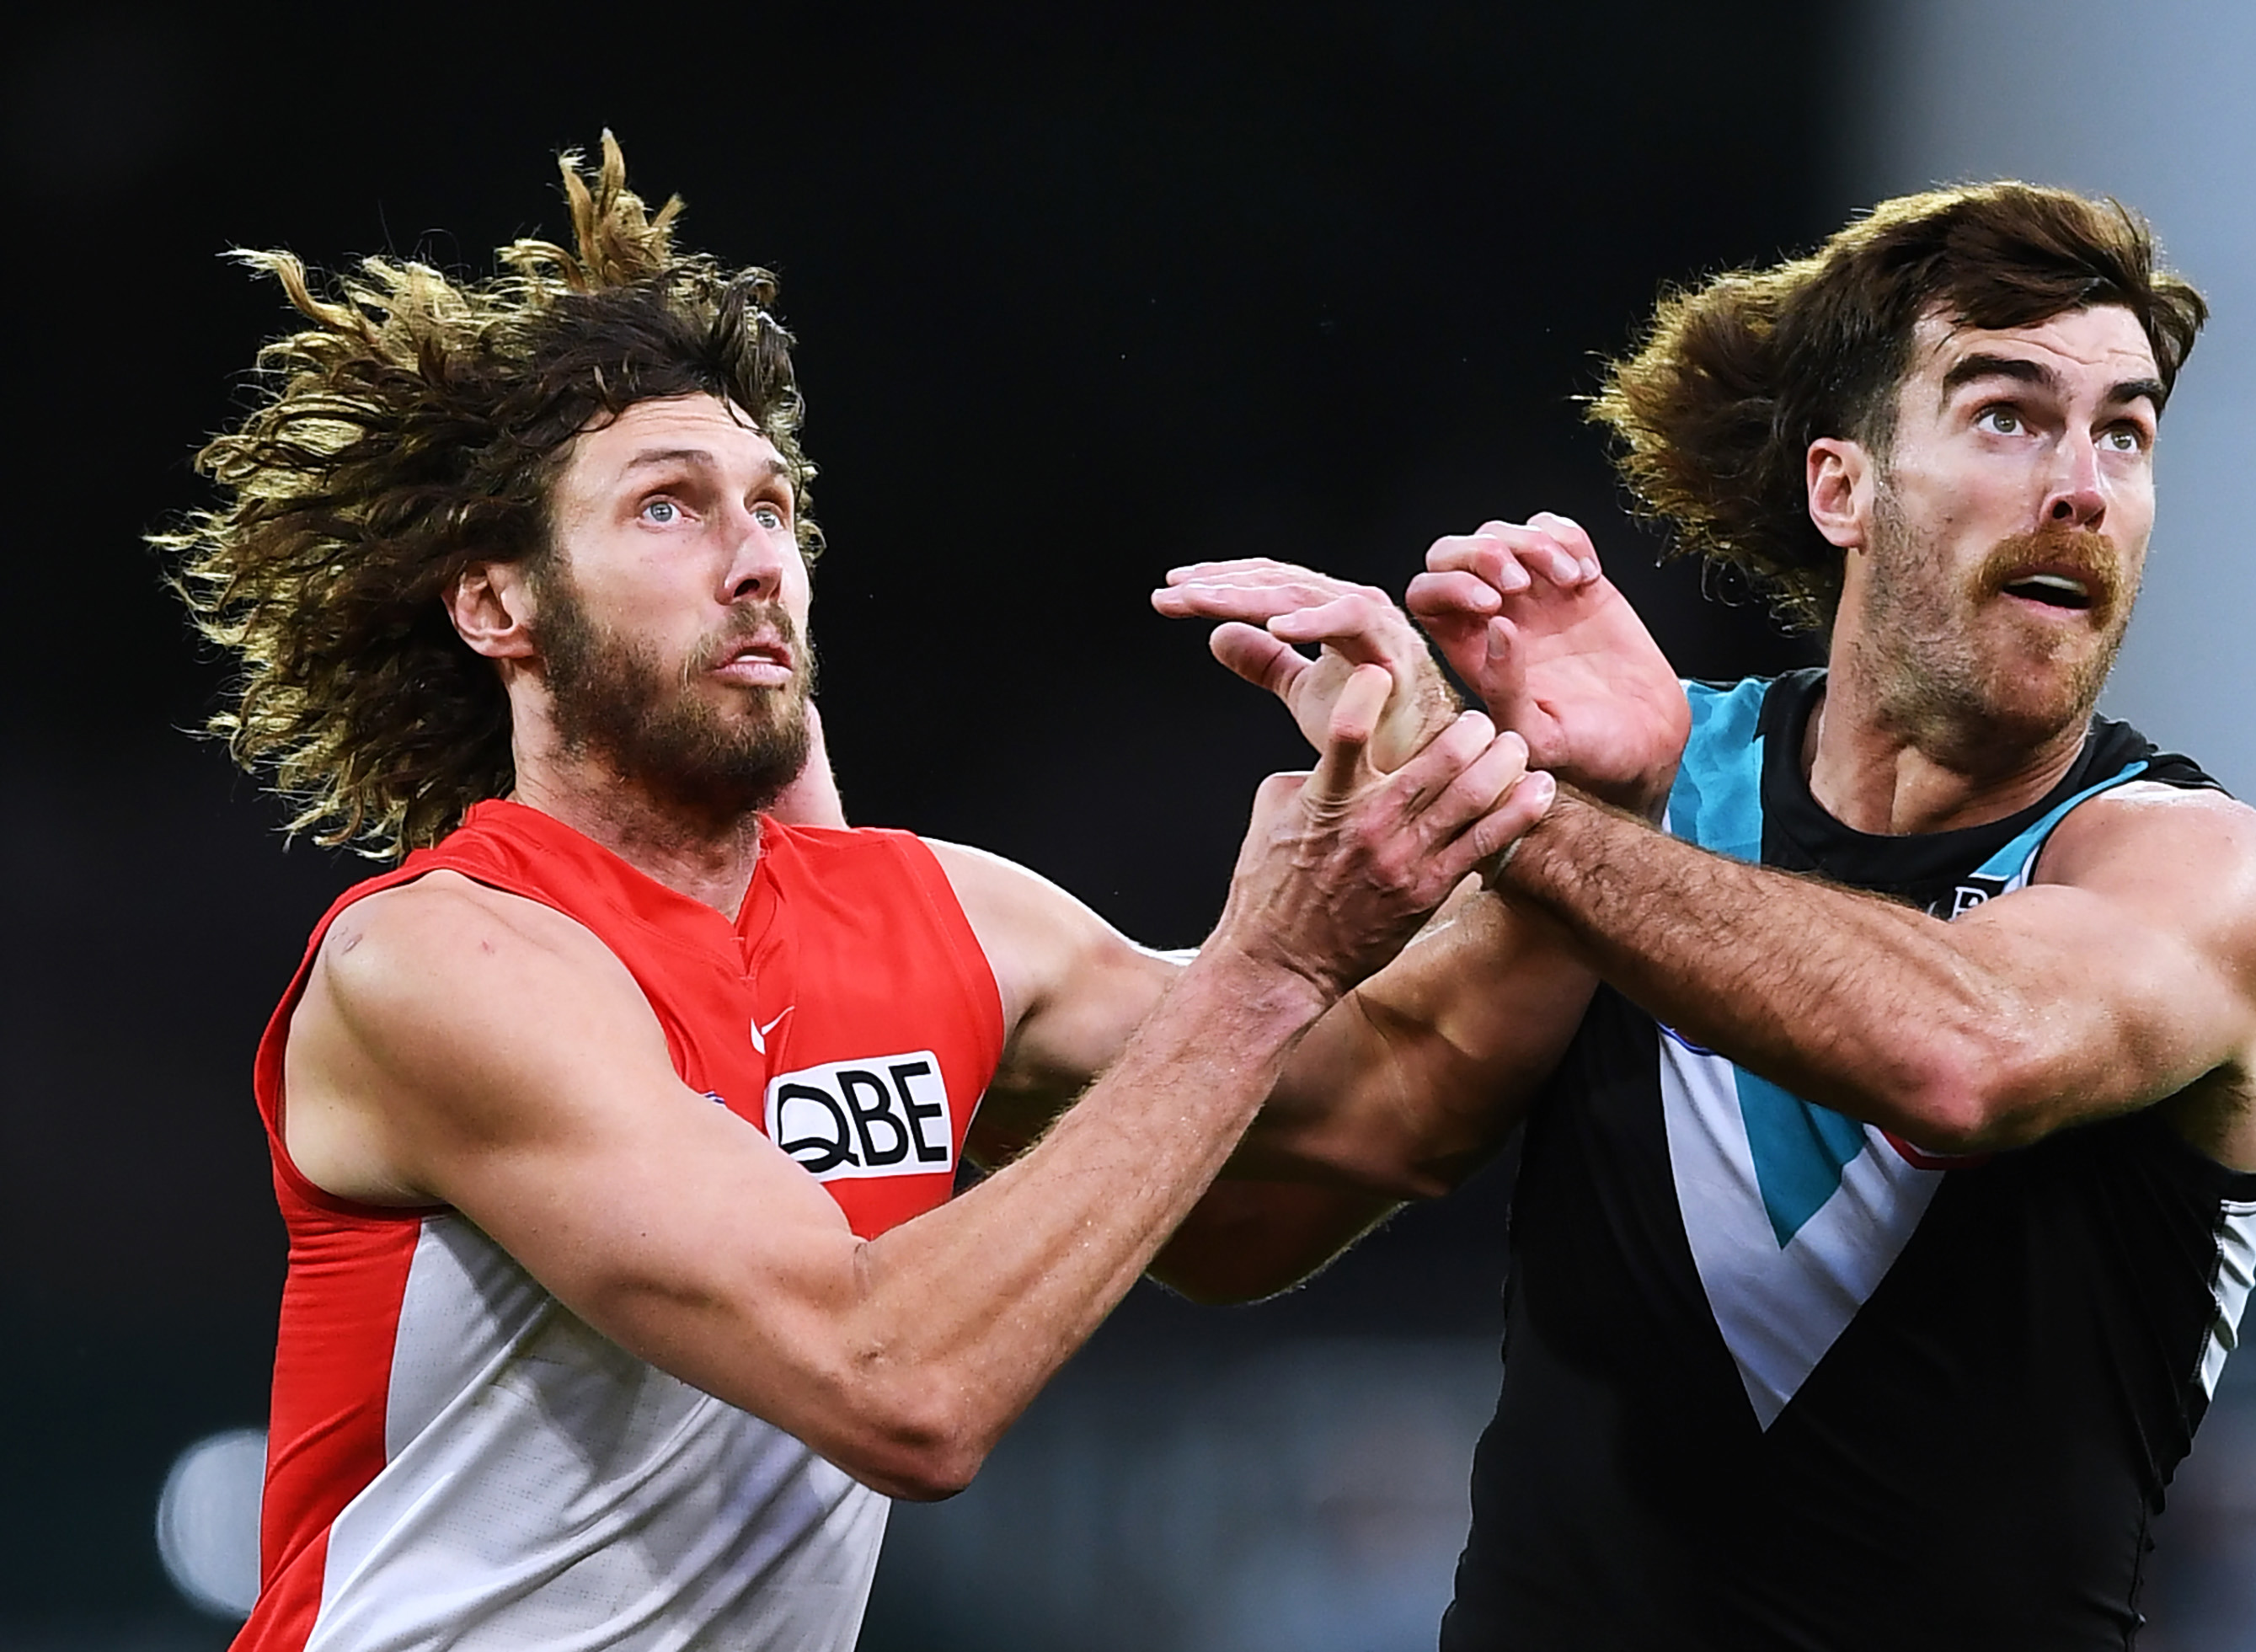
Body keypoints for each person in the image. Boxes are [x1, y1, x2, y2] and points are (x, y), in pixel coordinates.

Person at [168, 136, 1553, 1650]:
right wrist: (1267, 969)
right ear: (498, 604)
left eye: (770, 505)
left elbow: (1405, 1095)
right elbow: (898, 1389)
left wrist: (1550, 788)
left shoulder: (939, 916)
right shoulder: (442, 960)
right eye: (667, 507)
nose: (756, 558)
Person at [1157, 182, 2256, 1649]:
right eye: (2010, 414)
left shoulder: (2196, 869)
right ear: (1843, 488)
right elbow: (1241, 1227)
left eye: (2126, 431)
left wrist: (1498, 799)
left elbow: (1963, 1052)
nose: (2082, 484)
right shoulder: (1641, 799)